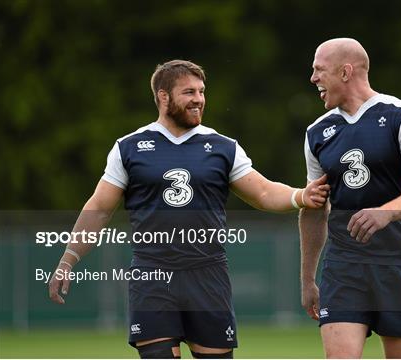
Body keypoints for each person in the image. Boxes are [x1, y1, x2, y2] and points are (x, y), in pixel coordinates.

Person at [48, 60, 330, 359]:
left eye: (201, 91)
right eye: (189, 92)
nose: (198, 99)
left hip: (208, 277)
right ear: (163, 96)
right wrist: (69, 259)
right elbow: (99, 209)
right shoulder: (129, 147)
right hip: (152, 275)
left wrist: (301, 195)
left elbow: (262, 192)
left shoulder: (222, 147)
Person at [299, 38, 401, 358]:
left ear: (346, 72)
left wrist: (386, 212)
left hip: (397, 264)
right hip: (343, 267)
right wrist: (308, 280)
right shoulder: (317, 133)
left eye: (319, 70)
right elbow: (314, 208)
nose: (313, 79)